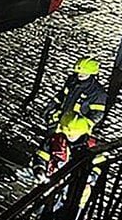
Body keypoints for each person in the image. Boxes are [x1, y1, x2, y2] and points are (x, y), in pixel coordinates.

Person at [32, 57, 108, 208]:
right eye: (78, 73)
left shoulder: (97, 93)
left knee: (68, 151)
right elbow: (63, 94)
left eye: (83, 74)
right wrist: (52, 105)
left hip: (76, 127)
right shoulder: (73, 81)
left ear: (92, 74)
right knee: (52, 146)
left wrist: (80, 126)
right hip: (62, 123)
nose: (79, 76)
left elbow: (97, 115)